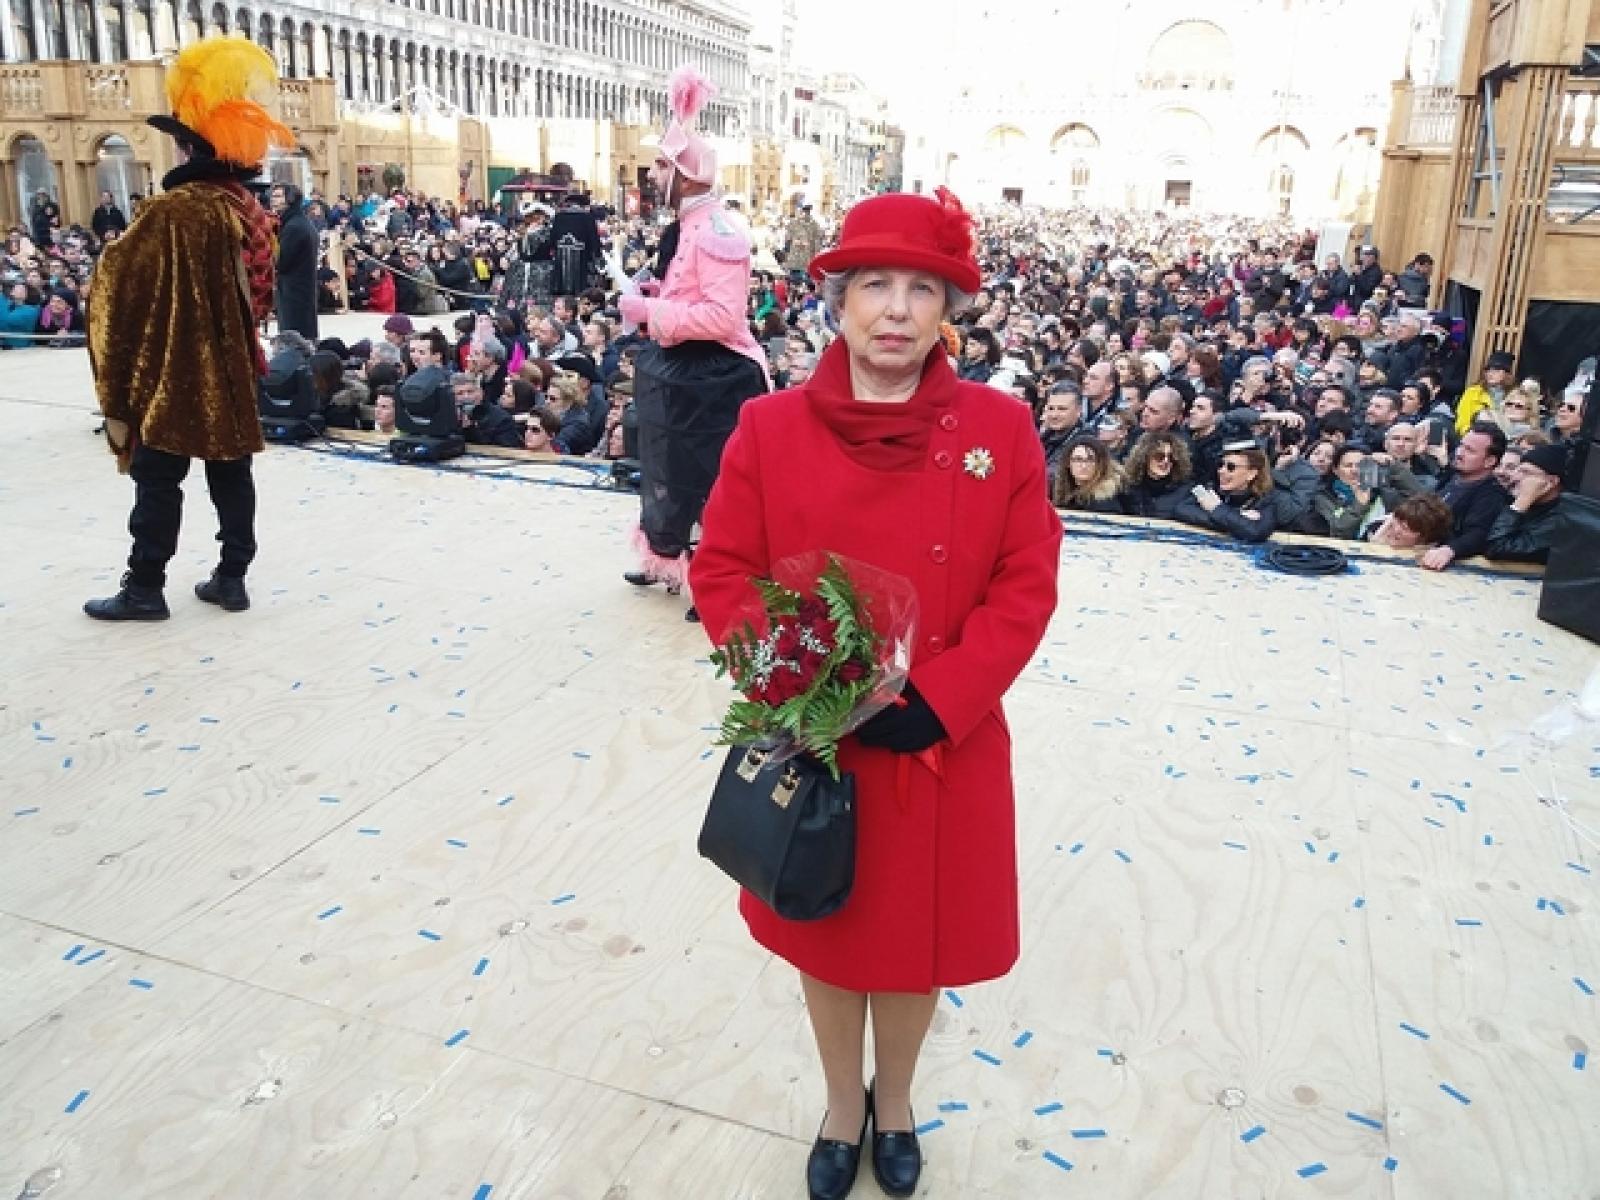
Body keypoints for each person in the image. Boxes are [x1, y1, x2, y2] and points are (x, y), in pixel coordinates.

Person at [690, 185, 1061, 1200]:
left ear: (949, 312)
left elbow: (1025, 580)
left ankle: (893, 1102)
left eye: (922, 290)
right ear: (839, 301)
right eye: (875, 286)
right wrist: (805, 682)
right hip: (822, 742)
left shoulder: (1000, 429)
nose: (897, 309)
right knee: (829, 931)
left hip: (943, 740)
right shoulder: (768, 427)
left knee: (914, 945)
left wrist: (943, 696)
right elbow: (723, 570)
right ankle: (840, 1106)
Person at [85, 35, 294, 621]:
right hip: (234, 366)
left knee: (157, 476)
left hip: (178, 368)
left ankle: (144, 588)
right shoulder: (251, 211)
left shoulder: (176, 210)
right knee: (231, 472)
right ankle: (232, 579)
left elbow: (118, 283)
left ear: (189, 147)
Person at [618, 66, 769, 618]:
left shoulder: (720, 232)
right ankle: (666, 558)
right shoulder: (683, 227)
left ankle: (714, 578)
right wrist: (656, 294)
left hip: (717, 376)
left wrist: (652, 310)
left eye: (662, 166)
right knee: (666, 468)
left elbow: (723, 317)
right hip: (679, 370)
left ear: (686, 177)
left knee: (713, 482)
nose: (653, 175)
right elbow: (691, 294)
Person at [1421, 424, 1511, 571]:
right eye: (1461, 445)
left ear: (1490, 461)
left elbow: (1478, 534)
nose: (1459, 453)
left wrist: (1449, 550)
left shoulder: (1491, 496)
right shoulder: (1452, 476)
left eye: (1470, 450)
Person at [1486, 442, 1573, 563]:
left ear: (1552, 482)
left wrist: (1521, 502)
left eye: (1526, 472)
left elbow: (1496, 548)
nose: (1515, 477)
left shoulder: (1559, 521)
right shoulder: (1509, 499)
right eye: (1517, 470)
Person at [1175, 440, 1278, 543]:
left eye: (1231, 467)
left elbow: (1255, 532)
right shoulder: (1211, 487)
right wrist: (1237, 516)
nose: (1221, 471)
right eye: (1221, 465)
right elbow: (1182, 508)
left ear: (1251, 474)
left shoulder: (1265, 499)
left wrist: (1216, 509)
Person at [270, 181, 318, 341]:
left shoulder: (293, 227)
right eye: (273, 196)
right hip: (301, 289)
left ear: (290, 199)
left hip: (293, 291)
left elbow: (281, 261)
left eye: (278, 196)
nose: (273, 200)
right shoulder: (301, 222)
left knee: (294, 339)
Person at [1121, 430, 1192, 519]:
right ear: (1145, 458)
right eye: (1159, 456)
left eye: (1171, 457)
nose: (1166, 461)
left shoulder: (1186, 491)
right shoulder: (1127, 489)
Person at [1053, 435, 1125, 512]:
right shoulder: (1064, 490)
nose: (1084, 466)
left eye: (1091, 459)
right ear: (1068, 463)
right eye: (1078, 459)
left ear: (1101, 463)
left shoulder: (1104, 503)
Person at [1455, 349, 1513, 434]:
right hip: (1475, 435)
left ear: (1507, 374)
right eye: (1488, 370)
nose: (1490, 374)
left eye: (1496, 370)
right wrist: (1471, 434)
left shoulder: (1513, 395)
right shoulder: (1473, 392)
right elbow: (1462, 421)